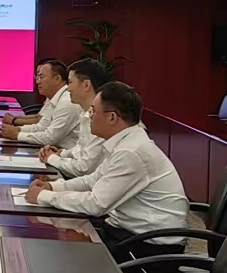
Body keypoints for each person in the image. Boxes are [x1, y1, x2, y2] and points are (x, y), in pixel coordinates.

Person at [25, 82, 189, 260]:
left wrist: (43, 197)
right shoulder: (125, 142)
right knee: (60, 241)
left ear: (112, 117)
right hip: (127, 231)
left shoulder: (131, 151)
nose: (89, 116)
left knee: (63, 254)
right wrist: (53, 187)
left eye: (93, 111)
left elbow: (96, 204)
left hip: (151, 247)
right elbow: (93, 180)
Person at [38, 58, 111, 178]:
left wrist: (51, 158)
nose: (67, 88)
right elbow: (81, 149)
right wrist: (61, 153)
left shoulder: (101, 119)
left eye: (70, 83)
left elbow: (84, 169)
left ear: (86, 85)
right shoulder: (84, 112)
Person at [0, 59, 82, 148]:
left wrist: (17, 135)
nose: (37, 82)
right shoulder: (54, 97)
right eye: (37, 77)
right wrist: (18, 129)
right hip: (54, 150)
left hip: (64, 153)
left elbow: (51, 138)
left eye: (41, 77)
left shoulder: (67, 101)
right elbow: (42, 127)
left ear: (57, 79)